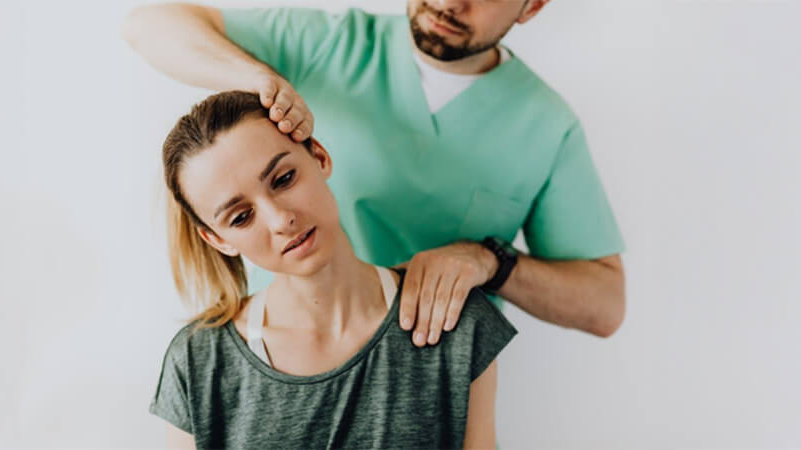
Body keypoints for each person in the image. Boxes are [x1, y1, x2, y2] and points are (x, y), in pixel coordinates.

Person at [124, 0, 626, 347]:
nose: (448, 2)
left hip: (426, 378)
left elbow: (605, 305)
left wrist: (490, 260)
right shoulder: (331, 45)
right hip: (288, 353)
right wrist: (258, 80)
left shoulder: (546, 126)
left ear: (532, 6)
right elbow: (149, 23)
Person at [151, 90, 517, 448]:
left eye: (283, 180)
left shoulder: (454, 321)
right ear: (218, 240)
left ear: (320, 156)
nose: (281, 220)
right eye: (242, 217)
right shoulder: (198, 362)